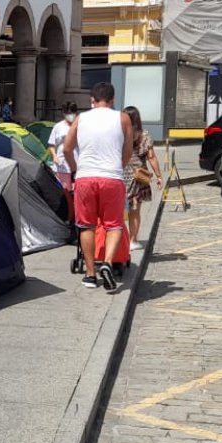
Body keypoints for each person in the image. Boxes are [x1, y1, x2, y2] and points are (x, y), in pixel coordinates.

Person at [63, 82, 133, 292]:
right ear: (113, 100)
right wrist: (118, 167)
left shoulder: (81, 118)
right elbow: (128, 150)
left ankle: (90, 274)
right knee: (113, 225)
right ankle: (108, 263)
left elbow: (67, 148)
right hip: (112, 177)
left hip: (85, 177)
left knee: (86, 226)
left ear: (91, 100)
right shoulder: (123, 118)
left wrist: (76, 169)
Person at [122, 106, 162, 251]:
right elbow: (151, 157)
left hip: (121, 174)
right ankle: (133, 240)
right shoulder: (144, 134)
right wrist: (158, 175)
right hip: (139, 177)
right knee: (135, 211)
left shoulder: (121, 133)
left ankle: (119, 240)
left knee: (117, 210)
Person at [48, 102, 78, 191]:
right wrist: (54, 156)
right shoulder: (58, 127)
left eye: (72, 113)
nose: (70, 116)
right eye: (68, 113)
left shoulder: (81, 126)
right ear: (64, 114)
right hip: (62, 165)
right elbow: (51, 144)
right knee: (63, 192)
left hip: (77, 165)